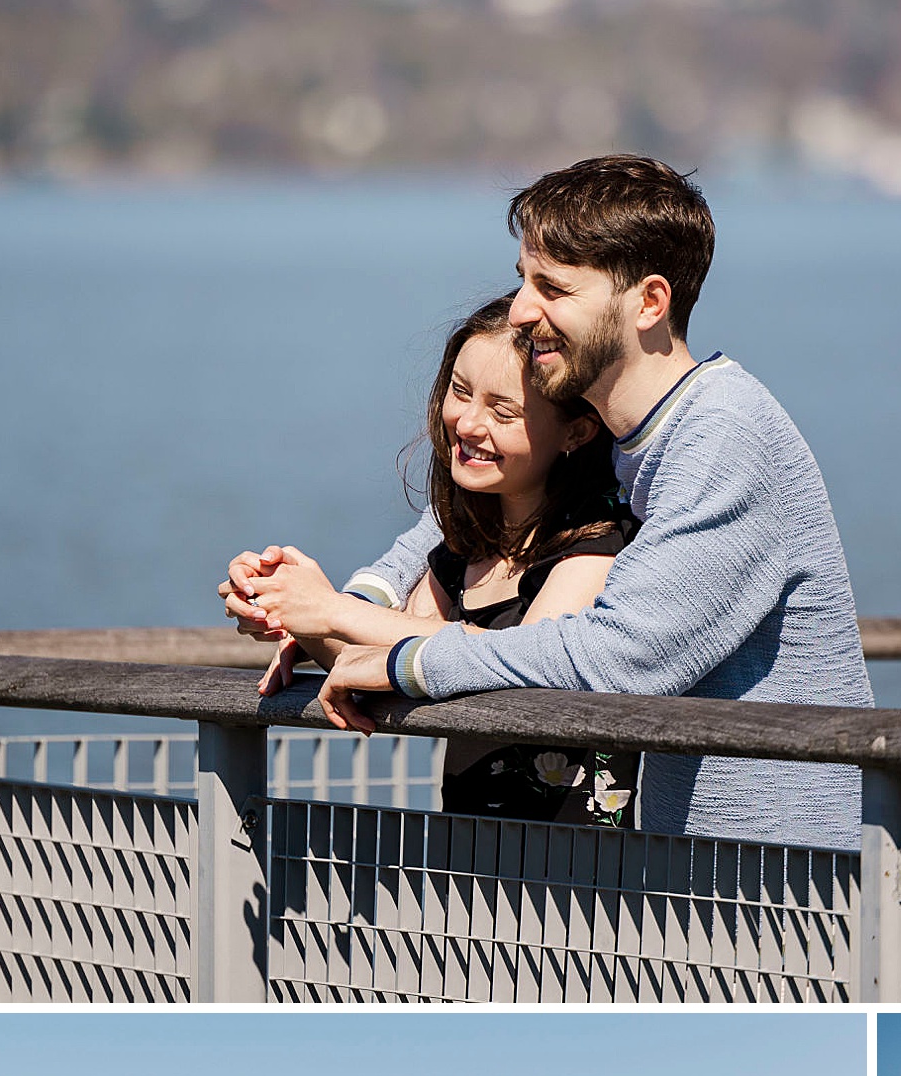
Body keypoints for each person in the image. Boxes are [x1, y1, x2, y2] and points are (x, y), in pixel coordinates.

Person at [222, 155, 870, 850]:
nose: (524, 311)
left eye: (553, 289)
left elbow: (622, 659)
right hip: (704, 876)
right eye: (523, 280)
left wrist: (401, 657)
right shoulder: (621, 443)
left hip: (790, 888)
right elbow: (441, 528)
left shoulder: (723, 434)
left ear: (649, 303)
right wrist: (312, 606)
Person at [230, 295, 641, 826]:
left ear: (577, 431)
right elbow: (383, 660)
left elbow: (532, 667)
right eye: (461, 392)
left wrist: (330, 610)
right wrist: (288, 605)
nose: (467, 424)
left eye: (504, 411)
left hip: (580, 876)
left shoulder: (593, 551)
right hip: (470, 861)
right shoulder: (460, 550)